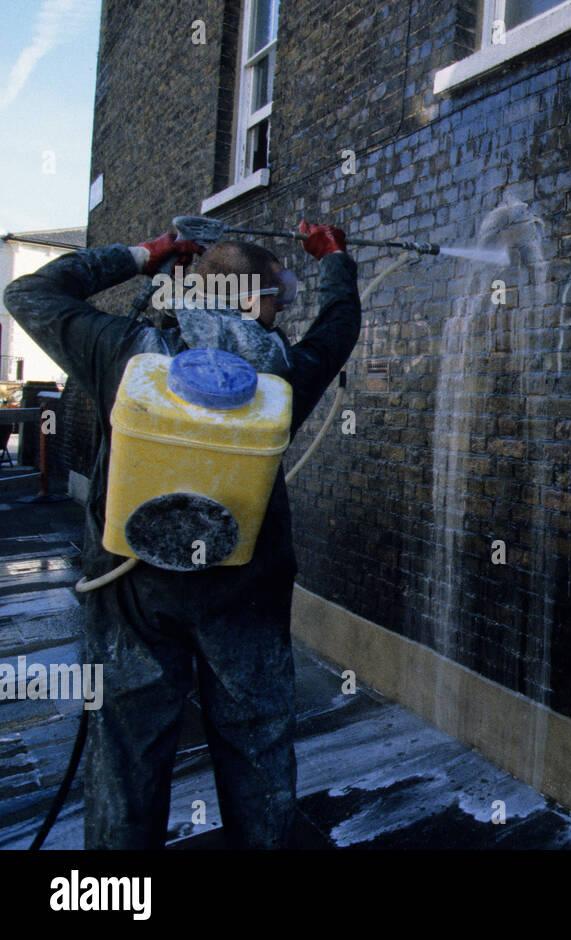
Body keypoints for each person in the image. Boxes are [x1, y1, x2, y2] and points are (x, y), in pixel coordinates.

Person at [3, 221, 358, 849]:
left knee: (127, 753)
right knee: (257, 747)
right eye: (278, 297)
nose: (280, 311)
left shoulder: (123, 352)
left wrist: (144, 255)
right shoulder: (283, 373)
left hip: (130, 589)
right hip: (245, 591)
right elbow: (339, 326)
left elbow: (29, 293)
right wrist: (334, 260)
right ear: (252, 299)